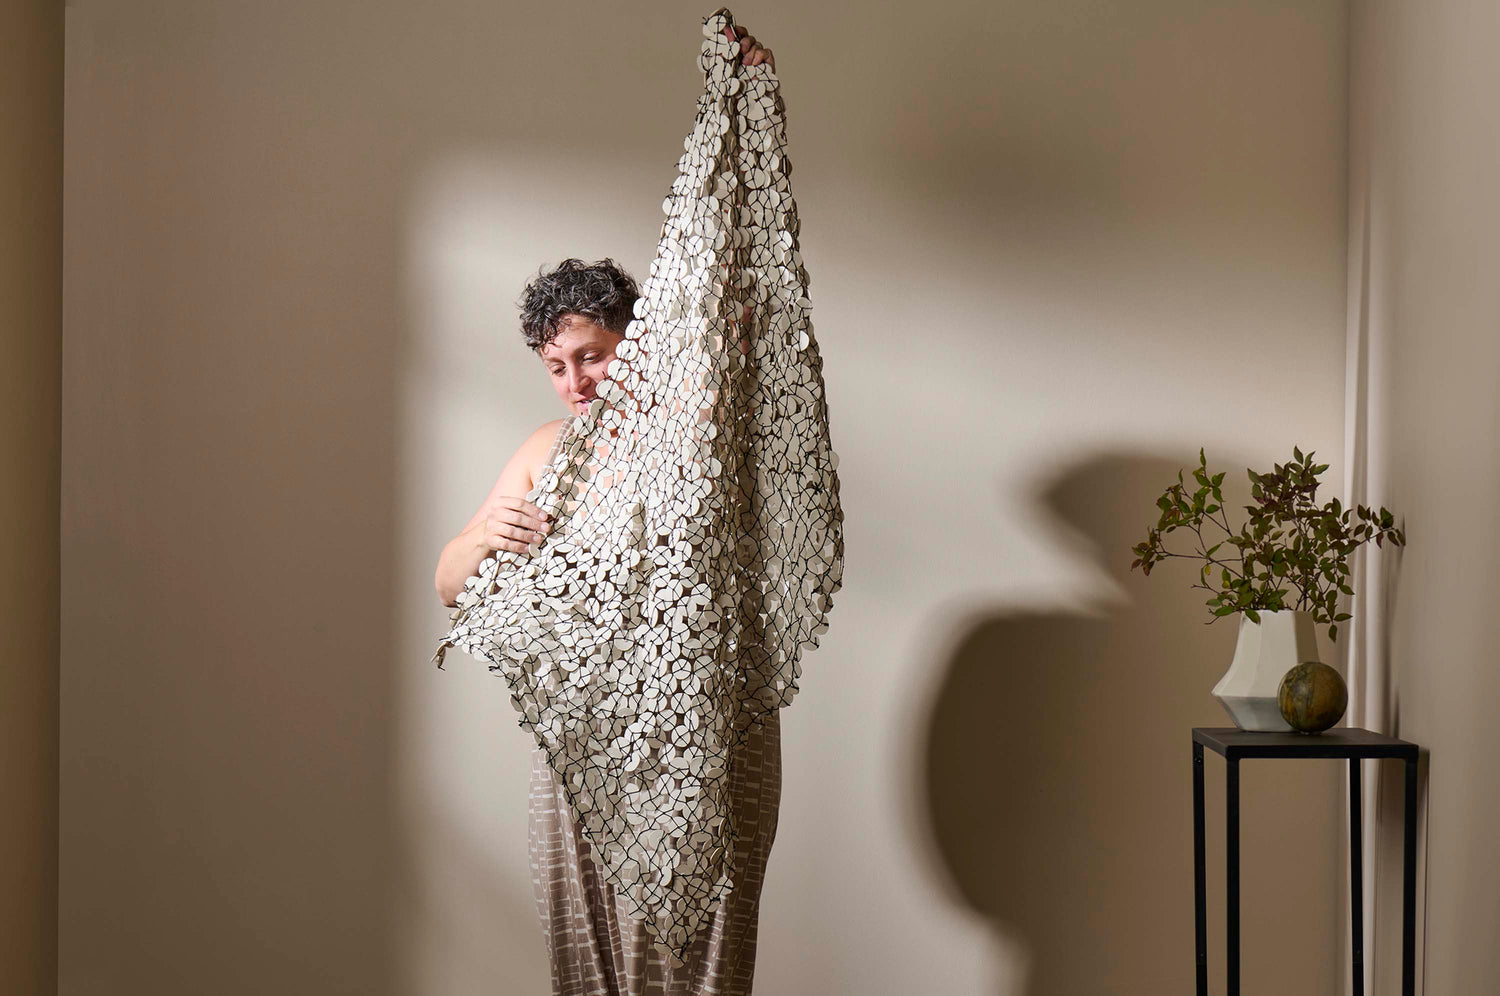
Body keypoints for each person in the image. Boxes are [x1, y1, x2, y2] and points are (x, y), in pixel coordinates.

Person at [433, 30, 783, 996]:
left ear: (637, 342)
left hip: (705, 729)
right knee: (588, 969)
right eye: (554, 366)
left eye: (590, 353)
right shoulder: (545, 454)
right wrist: (484, 540)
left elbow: (732, 295)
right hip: (584, 741)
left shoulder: (695, 427)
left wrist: (736, 114)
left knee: (699, 965)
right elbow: (449, 575)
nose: (573, 380)